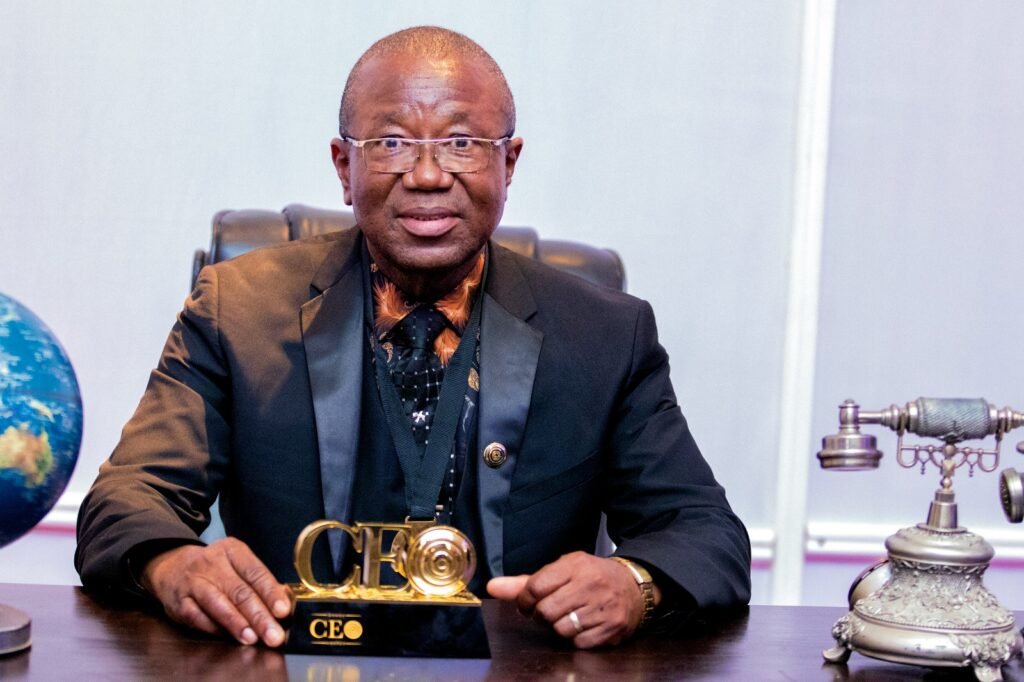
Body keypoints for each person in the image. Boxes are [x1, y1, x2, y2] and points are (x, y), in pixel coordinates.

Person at [75, 26, 750, 650]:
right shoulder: (237, 311)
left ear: (509, 164)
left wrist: (633, 584)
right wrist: (172, 563)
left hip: (513, 667)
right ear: (344, 166)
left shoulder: (604, 334)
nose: (428, 175)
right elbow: (127, 499)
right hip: (296, 660)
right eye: (392, 144)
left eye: (462, 143)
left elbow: (705, 533)